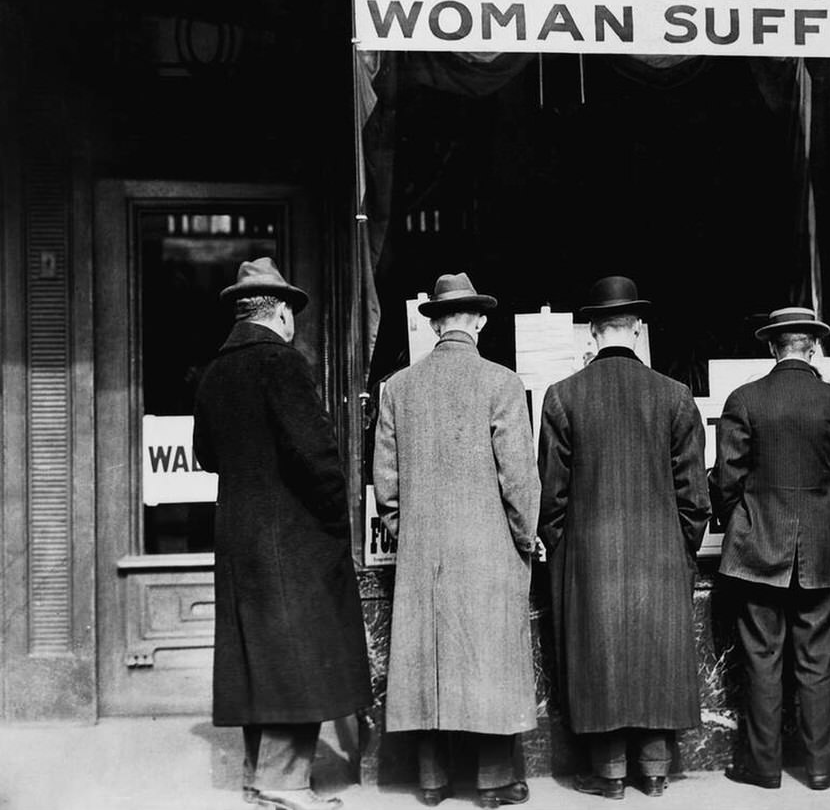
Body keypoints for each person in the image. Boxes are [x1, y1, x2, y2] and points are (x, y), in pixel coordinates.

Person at [192, 258, 371, 810]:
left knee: (258, 658)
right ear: (283, 314)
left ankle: (258, 775)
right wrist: (335, 521)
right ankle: (283, 782)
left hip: (238, 535)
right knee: (298, 657)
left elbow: (205, 455)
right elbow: (317, 456)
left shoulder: (214, 371)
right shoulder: (283, 363)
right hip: (292, 538)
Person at [537, 275, 710, 799]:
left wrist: (565, 551)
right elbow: (695, 497)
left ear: (592, 331)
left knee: (600, 659)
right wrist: (680, 545)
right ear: (637, 329)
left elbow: (552, 496)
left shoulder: (562, 396)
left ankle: (609, 773)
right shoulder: (676, 397)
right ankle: (654, 770)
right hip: (659, 554)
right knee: (655, 656)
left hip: (590, 559)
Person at [373, 273, 539, 808]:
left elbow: (386, 484)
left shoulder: (398, 387)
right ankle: (493, 783)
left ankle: (431, 780)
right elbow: (519, 478)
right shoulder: (502, 382)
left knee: (429, 662)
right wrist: (525, 537)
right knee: (490, 660)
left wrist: (410, 534)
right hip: (489, 550)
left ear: (435, 324)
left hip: (423, 552)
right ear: (480, 321)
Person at [710, 306, 830, 791]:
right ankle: (823, 766)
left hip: (757, 551)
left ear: (771, 347)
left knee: (762, 660)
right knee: (815, 662)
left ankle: (763, 768)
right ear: (814, 348)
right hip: (821, 554)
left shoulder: (744, 399)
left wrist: (734, 519)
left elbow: (726, 480)